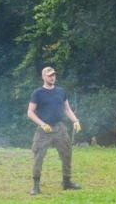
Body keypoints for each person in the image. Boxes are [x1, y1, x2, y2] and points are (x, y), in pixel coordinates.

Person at [26, 65, 81, 195]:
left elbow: (66, 109)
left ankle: (67, 182)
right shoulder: (38, 93)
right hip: (44, 130)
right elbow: (30, 112)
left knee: (67, 154)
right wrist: (42, 124)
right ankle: (36, 186)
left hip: (59, 128)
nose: (52, 77)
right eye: (49, 75)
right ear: (43, 77)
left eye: (54, 75)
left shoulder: (61, 91)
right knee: (38, 156)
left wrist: (75, 120)